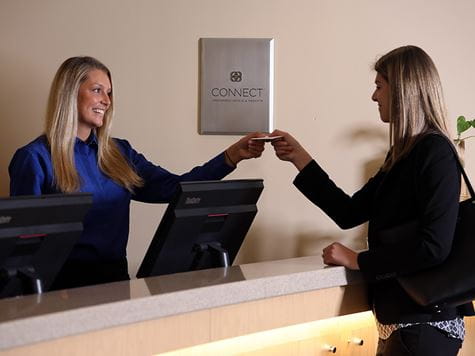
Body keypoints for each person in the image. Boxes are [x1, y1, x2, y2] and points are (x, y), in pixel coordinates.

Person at [270, 45, 474, 355]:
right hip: (405, 326)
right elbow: (349, 211)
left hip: (424, 329)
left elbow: (434, 246)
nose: (374, 96)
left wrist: (358, 260)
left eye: (379, 85)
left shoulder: (435, 153)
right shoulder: (404, 154)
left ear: (404, 90)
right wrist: (300, 157)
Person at [9, 56, 265, 290]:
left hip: (116, 282)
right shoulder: (34, 158)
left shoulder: (119, 152)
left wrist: (231, 157)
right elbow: (23, 248)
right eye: (97, 90)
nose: (107, 101)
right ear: (69, 93)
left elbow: (176, 188)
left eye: (109, 93)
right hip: (60, 289)